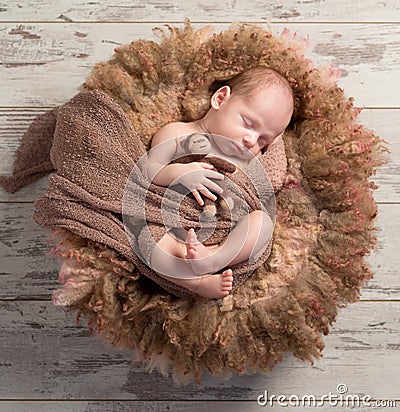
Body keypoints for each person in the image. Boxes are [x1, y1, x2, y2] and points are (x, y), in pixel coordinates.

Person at [138, 66, 294, 299]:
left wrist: (272, 137)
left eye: (263, 139)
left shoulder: (251, 160)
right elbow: (149, 171)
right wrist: (180, 173)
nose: (251, 140)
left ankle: (213, 258)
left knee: (263, 223)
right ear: (220, 99)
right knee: (147, 242)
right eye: (248, 123)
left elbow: (270, 180)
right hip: (173, 229)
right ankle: (197, 281)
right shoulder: (179, 134)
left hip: (222, 233)